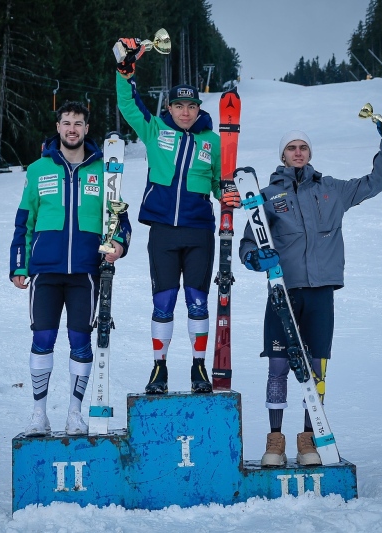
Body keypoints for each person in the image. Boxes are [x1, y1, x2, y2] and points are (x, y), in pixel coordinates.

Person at [238, 118, 382, 466]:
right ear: (282, 155)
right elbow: (248, 243)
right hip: (282, 293)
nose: (298, 153)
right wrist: (255, 258)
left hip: (320, 295)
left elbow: (375, 183)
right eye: (291, 148)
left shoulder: (332, 190)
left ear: (310, 153)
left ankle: (308, 441)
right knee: (279, 366)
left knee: (316, 370)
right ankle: (275, 442)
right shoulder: (267, 197)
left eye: (303, 147)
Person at [113, 38, 239, 394]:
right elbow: (127, 104)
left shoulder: (212, 142)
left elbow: (218, 182)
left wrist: (227, 194)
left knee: (198, 301)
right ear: (169, 106)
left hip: (199, 231)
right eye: (179, 105)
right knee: (163, 302)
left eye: (191, 106)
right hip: (164, 233)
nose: (185, 112)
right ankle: (159, 369)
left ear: (199, 109)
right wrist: (125, 73)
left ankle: (199, 367)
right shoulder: (155, 130)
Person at [10, 101, 131, 437]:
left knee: (81, 342)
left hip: (85, 273)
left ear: (87, 128)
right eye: (67, 123)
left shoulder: (104, 171)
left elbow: (119, 218)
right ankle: (39, 415)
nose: (72, 129)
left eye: (78, 123)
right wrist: (19, 264)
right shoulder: (38, 169)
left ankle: (74, 414)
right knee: (42, 339)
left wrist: (118, 245)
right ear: (58, 126)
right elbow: (24, 222)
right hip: (45, 272)